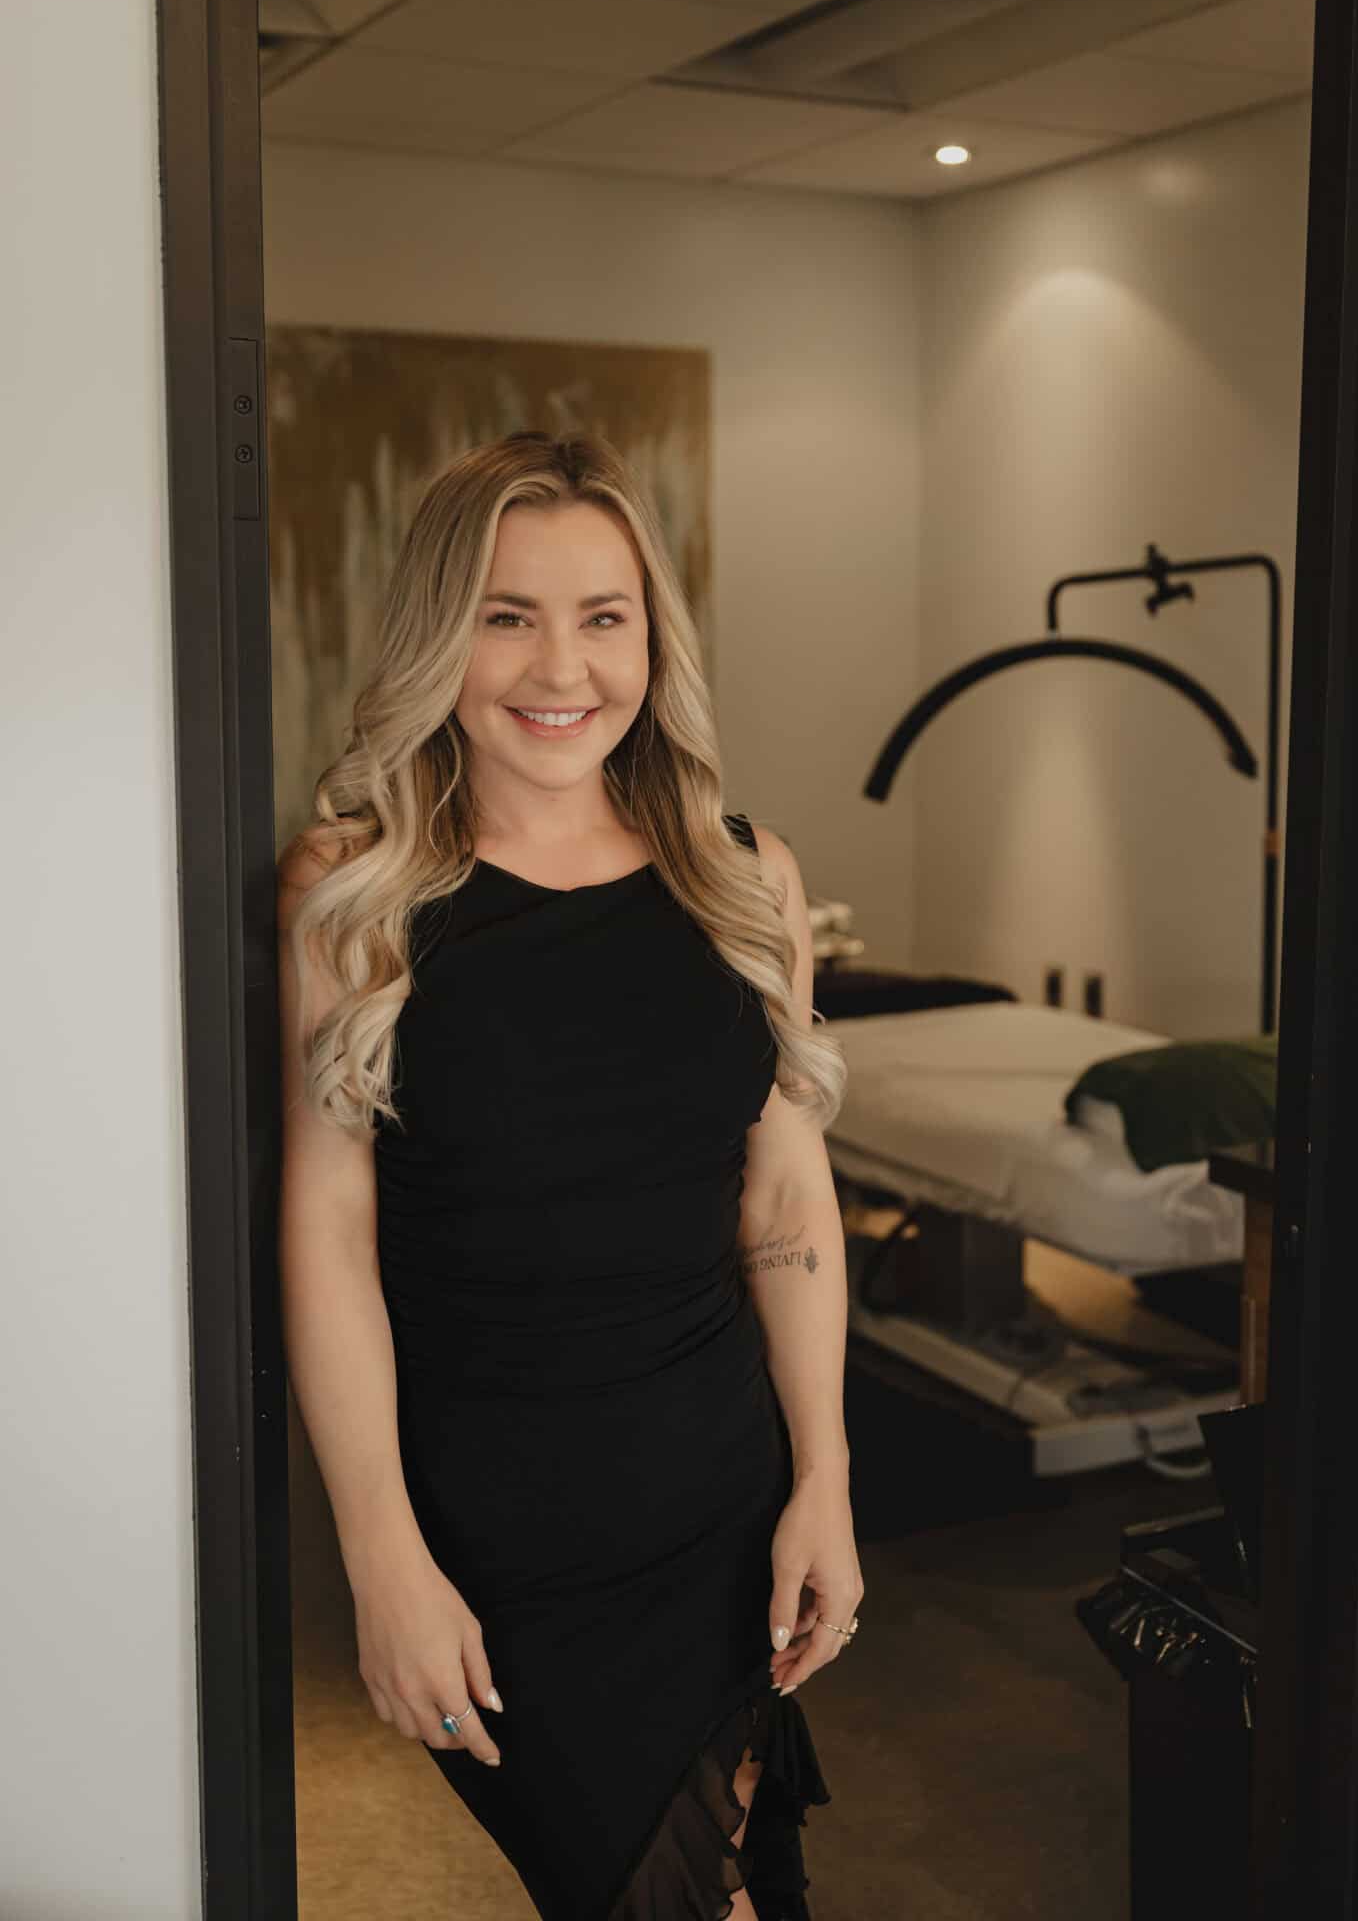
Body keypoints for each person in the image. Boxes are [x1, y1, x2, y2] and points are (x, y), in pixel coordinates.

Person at [276, 430, 862, 1920]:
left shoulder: (745, 875)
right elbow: (330, 1236)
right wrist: (380, 1558)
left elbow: (784, 1197)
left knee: (736, 1884)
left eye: (604, 616)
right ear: (436, 637)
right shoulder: (358, 896)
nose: (563, 666)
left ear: (650, 639)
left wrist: (826, 1479)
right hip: (500, 1532)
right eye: (505, 614)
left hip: (716, 1495)